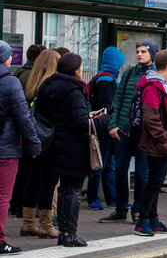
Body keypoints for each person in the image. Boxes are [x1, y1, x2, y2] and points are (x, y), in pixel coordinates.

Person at [36, 53, 110, 247]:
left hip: (51, 145)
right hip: (72, 148)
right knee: (72, 190)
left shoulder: (47, 85)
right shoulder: (74, 90)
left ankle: (62, 231)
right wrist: (102, 119)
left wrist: (87, 116)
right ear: (76, 69)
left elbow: (43, 114)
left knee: (61, 190)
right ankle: (70, 234)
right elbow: (80, 123)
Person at [100, 41, 158, 224]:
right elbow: (117, 100)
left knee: (142, 173)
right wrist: (113, 125)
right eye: (138, 52)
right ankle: (120, 208)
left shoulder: (155, 75)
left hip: (144, 132)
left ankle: (139, 210)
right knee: (120, 170)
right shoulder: (129, 73)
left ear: (152, 54)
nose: (139, 54)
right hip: (124, 129)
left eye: (143, 51)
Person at [134, 50, 167, 236]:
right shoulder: (153, 87)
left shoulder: (162, 85)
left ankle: (153, 219)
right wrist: (165, 138)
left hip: (159, 141)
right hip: (156, 142)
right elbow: (151, 118)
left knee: (156, 181)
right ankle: (142, 221)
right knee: (154, 182)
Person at [0, 40, 41, 255]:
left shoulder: (13, 78)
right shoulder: (10, 82)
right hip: (5, 149)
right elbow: (23, 119)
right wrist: (34, 146)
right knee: (2, 196)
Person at [20, 49, 61, 238]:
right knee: (48, 181)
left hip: (32, 138)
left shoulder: (31, 83)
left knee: (32, 179)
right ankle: (46, 224)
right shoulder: (52, 85)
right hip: (49, 139)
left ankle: (28, 222)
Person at [87, 46, 126, 210]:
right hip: (103, 128)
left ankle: (112, 199)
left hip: (101, 127)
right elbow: (107, 107)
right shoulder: (106, 81)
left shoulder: (102, 77)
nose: (121, 66)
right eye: (119, 62)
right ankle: (96, 198)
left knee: (106, 164)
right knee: (101, 164)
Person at [9, 44, 45, 219]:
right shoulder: (33, 76)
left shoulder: (19, 72)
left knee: (21, 172)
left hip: (15, 131)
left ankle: (16, 205)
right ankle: (20, 206)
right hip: (25, 129)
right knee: (27, 172)